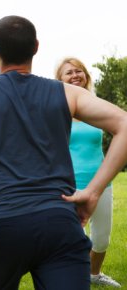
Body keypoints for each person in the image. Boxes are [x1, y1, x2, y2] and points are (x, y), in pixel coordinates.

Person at [0, 15, 127, 290]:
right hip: (59, 222)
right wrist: (93, 192)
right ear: (36, 47)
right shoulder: (67, 93)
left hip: (2, 224)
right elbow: (124, 124)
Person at [56, 57, 120, 288]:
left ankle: (94, 274)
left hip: (101, 181)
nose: (75, 76)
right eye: (68, 73)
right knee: (70, 239)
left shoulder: (96, 105)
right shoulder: (58, 110)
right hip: (70, 184)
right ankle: (69, 278)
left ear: (85, 75)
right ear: (60, 79)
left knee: (102, 238)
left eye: (78, 71)